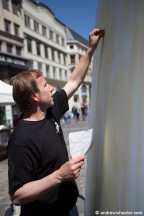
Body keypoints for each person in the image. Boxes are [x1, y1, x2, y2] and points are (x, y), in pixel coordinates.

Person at [7, 28, 104, 216]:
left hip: (68, 206)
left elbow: (74, 81)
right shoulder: (21, 140)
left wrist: (90, 50)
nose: (52, 88)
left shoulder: (51, 109)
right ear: (34, 96)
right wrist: (60, 176)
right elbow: (17, 195)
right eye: (45, 85)